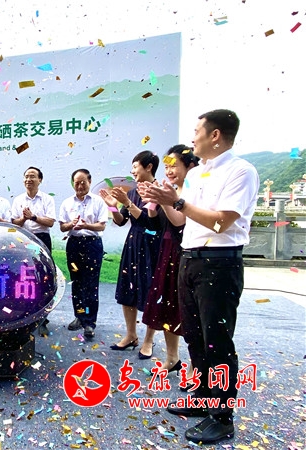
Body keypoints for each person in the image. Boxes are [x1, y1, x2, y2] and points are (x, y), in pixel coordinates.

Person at [142, 109, 259, 445]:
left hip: (219, 263)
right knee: (194, 335)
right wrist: (163, 200)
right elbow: (181, 220)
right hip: (190, 259)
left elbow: (222, 222)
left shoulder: (241, 171)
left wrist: (177, 200)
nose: (192, 138)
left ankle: (222, 418)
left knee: (217, 341)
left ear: (215, 135)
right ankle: (204, 397)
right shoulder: (196, 174)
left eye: (197, 131)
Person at [138, 145, 199, 376]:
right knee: (166, 305)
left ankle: (195, 364)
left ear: (190, 166)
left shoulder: (193, 192)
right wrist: (152, 205)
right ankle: (172, 357)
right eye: (167, 167)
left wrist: (162, 199)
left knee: (187, 310)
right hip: (166, 251)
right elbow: (154, 226)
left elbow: (179, 223)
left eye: (174, 165)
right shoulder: (170, 190)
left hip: (185, 252)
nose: (169, 171)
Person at [101, 151, 161, 359]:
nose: (132, 171)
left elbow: (150, 223)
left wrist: (127, 203)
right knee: (127, 289)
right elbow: (121, 221)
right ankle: (131, 335)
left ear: (149, 167)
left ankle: (148, 340)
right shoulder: (134, 191)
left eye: (135, 166)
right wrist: (112, 206)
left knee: (150, 292)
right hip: (133, 243)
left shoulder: (159, 191)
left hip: (151, 245)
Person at [59, 169, 108, 340]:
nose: (79, 186)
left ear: (89, 181)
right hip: (74, 244)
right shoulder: (67, 203)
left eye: (83, 182)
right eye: (76, 182)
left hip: (92, 244)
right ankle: (79, 316)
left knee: (91, 283)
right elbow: (62, 227)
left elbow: (102, 225)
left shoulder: (98, 201)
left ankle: (90, 322)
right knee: (77, 282)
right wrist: (70, 224)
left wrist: (87, 226)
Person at [11, 166, 56, 337]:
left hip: (41, 239)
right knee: (22, 278)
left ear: (40, 180)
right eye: (26, 176)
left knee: (42, 279)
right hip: (22, 240)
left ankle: (43, 320)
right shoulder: (18, 200)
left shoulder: (47, 199)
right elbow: (14, 223)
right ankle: (23, 317)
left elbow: (50, 222)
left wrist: (34, 217)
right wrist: (24, 218)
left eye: (32, 176)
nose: (29, 179)